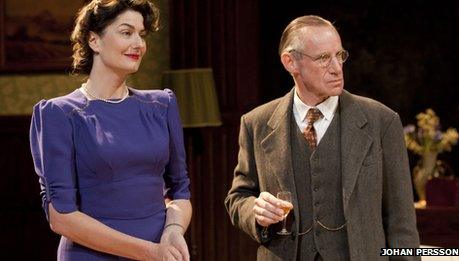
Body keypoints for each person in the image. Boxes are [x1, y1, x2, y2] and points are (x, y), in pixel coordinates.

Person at [225, 15, 420, 260]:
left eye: (339, 55)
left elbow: (402, 224)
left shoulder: (381, 122)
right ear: (290, 62)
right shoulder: (257, 123)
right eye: (323, 58)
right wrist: (255, 211)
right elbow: (238, 198)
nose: (337, 68)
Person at [29, 1, 191, 260]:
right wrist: (150, 252)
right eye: (127, 32)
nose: (138, 43)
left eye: (142, 34)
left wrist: (173, 229)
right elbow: (61, 218)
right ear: (94, 40)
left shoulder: (162, 105)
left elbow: (180, 189)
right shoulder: (59, 114)